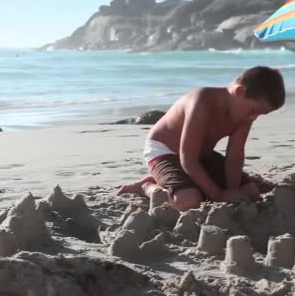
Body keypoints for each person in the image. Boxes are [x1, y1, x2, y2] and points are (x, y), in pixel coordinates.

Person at [118, 66, 285, 211]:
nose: (252, 117)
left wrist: (231, 191)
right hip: (166, 151)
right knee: (189, 201)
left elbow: (234, 156)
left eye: (259, 115)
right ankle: (146, 186)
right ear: (239, 92)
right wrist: (218, 194)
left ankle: (185, 181)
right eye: (253, 110)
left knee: (250, 192)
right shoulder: (202, 101)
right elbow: (188, 158)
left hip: (201, 155)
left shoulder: (243, 115)